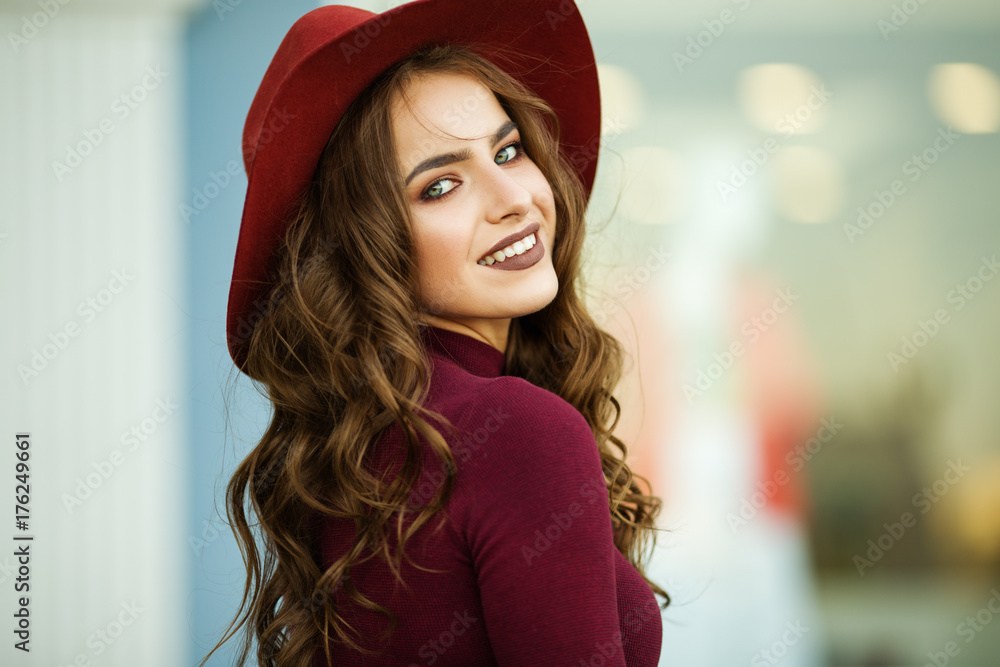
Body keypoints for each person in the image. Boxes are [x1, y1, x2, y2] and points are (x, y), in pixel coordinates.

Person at [205, 1, 669, 665]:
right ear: (364, 248)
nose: (512, 196)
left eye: (508, 150)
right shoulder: (517, 431)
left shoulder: (350, 452)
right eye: (441, 185)